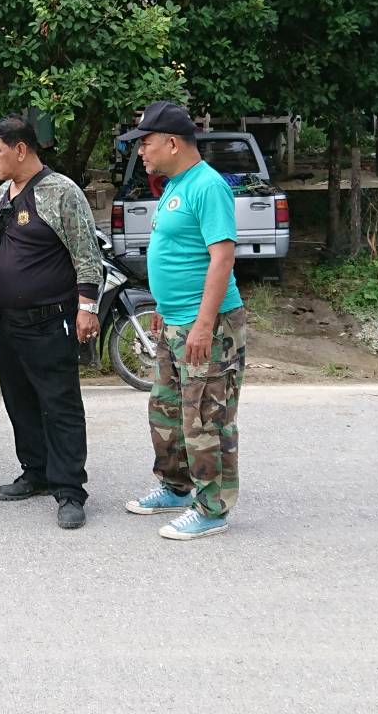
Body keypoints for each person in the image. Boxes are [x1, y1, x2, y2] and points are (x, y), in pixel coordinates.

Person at [119, 101, 246, 541]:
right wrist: (163, 308)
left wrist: (204, 325)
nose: (141, 151)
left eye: (146, 143)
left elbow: (222, 257)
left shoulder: (208, 186)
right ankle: (176, 488)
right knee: (167, 411)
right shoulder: (176, 185)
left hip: (206, 324)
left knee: (206, 416)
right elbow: (177, 253)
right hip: (174, 320)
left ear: (172, 143)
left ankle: (212, 508)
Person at [0, 117, 100, 530]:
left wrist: (87, 307)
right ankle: (35, 471)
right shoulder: (3, 193)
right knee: (20, 401)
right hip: (9, 321)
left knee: (59, 404)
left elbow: (86, 253)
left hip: (50, 320)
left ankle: (69, 489)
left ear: (20, 149)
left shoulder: (61, 191)